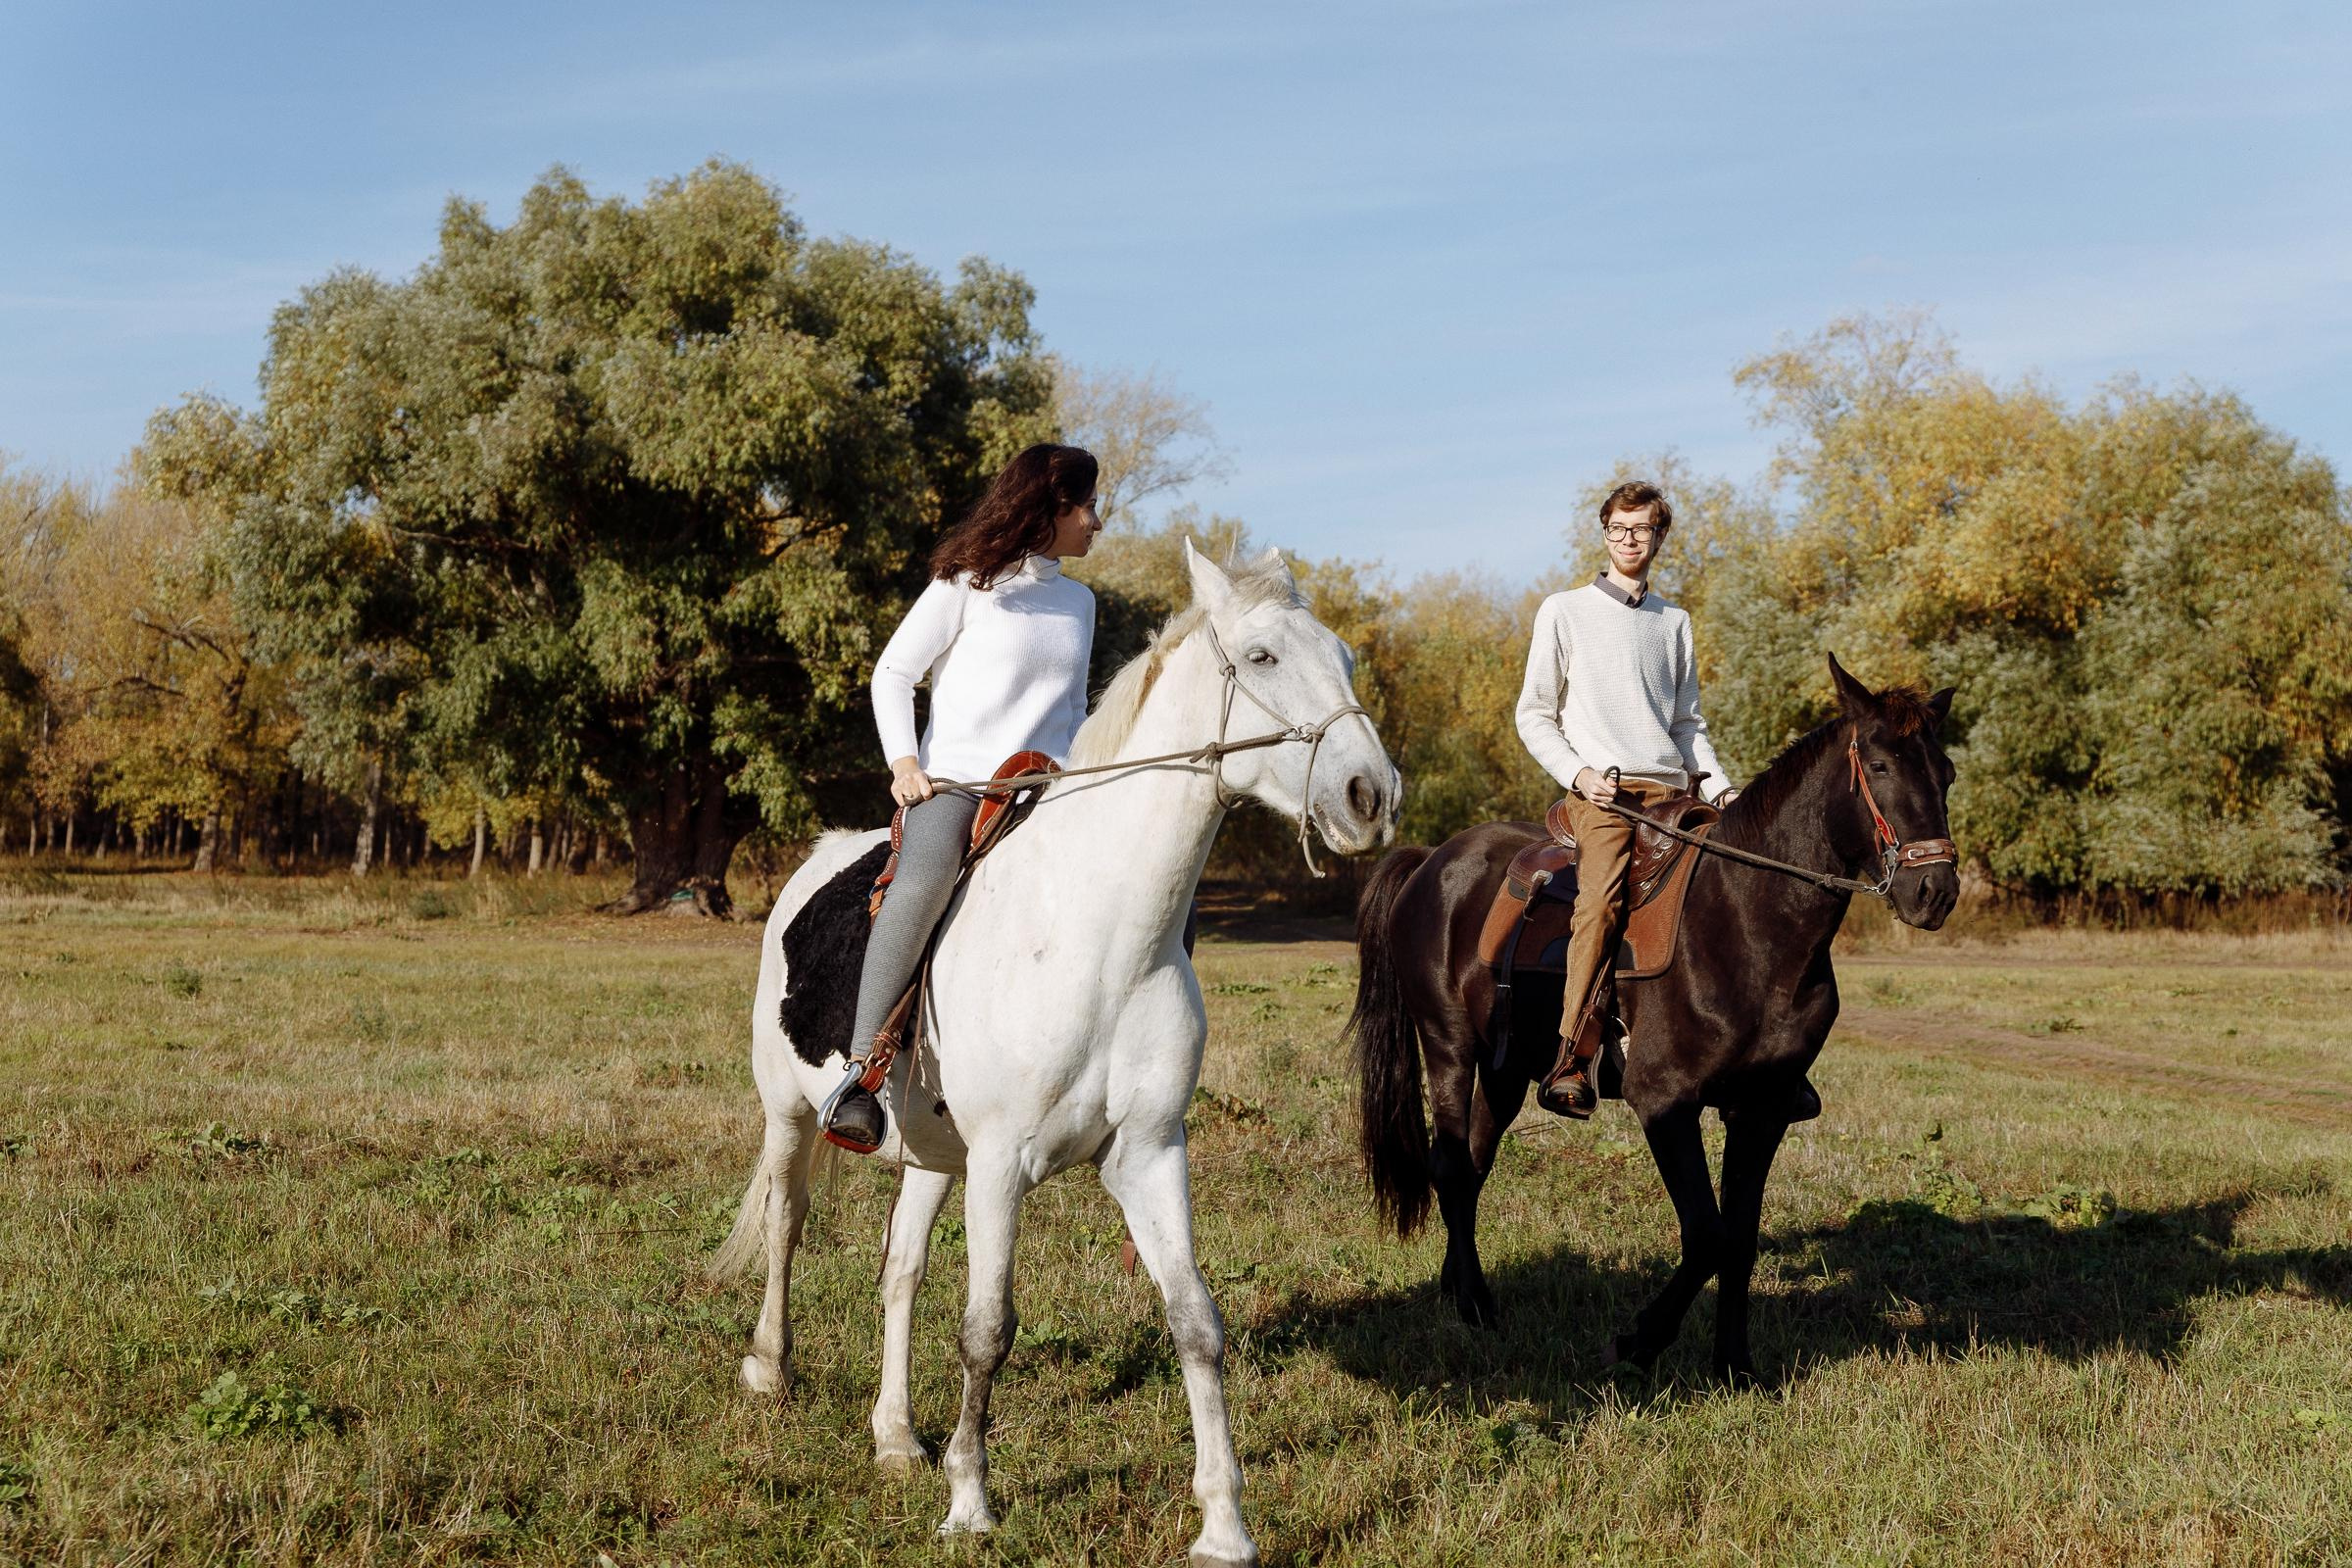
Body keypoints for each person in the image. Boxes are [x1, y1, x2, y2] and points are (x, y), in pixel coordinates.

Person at [819, 444, 1102, 1152]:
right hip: (959, 786)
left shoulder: (1080, 602)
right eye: (1089, 507)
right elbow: (894, 672)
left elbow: (1073, 709)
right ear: (1053, 508)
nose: (1097, 523)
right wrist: (904, 763)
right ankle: (862, 1075)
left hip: (1049, 792)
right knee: (919, 888)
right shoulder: (964, 584)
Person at [1513, 480, 1738, 1118]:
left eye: (1641, 528)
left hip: (1672, 792)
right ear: (1605, 533)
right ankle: (1573, 1056)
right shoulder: (1564, 610)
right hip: (1604, 795)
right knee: (1601, 901)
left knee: (1735, 890)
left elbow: (1687, 725)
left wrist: (1722, 788)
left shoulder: (1675, 622)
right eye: (1618, 528)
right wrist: (1579, 774)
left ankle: (1752, 1055)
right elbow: (1533, 714)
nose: (1629, 539)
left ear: (1659, 536)